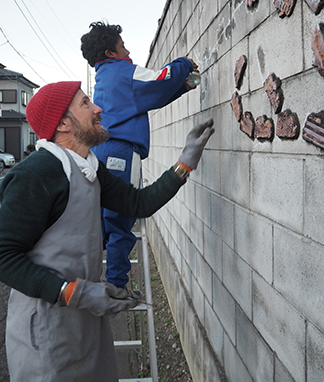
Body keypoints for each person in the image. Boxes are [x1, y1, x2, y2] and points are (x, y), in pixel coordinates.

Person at [0, 80, 214, 382]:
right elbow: (4, 256)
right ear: (63, 122)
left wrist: (184, 164)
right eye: (86, 104)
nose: (98, 108)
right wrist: (73, 291)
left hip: (85, 318)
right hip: (45, 326)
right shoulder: (37, 174)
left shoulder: (90, 167)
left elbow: (138, 203)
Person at [80, 21, 200, 293]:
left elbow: (146, 97)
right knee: (123, 216)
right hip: (121, 152)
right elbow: (160, 80)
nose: (128, 51)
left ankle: (93, 279)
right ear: (111, 52)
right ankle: (117, 286)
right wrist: (183, 64)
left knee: (102, 218)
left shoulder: (106, 76)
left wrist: (181, 88)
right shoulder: (123, 71)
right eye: (122, 46)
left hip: (102, 151)